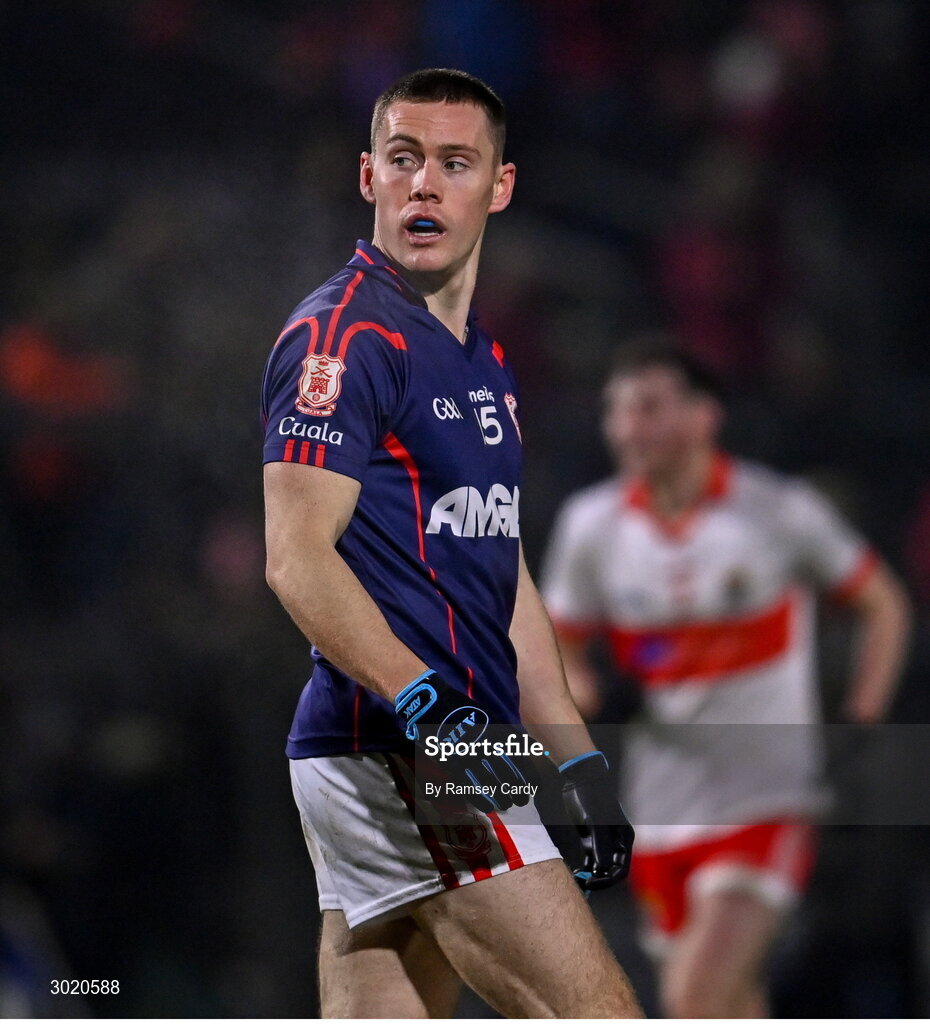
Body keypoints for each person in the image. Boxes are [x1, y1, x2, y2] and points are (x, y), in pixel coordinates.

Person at [261, 68, 640, 1019]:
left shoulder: (487, 360)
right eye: (404, 160)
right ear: (368, 177)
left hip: (405, 748)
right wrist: (427, 703)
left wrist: (580, 765)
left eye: (455, 163)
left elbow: (498, 575)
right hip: (412, 748)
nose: (425, 184)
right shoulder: (341, 338)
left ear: (499, 187)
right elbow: (296, 555)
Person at [541, 338, 911, 1019]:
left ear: (704, 416)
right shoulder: (592, 527)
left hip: (765, 801)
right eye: (615, 411)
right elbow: (557, 641)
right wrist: (591, 692)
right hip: (660, 815)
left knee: (694, 997)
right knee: (734, 1005)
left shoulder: (775, 512)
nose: (627, 428)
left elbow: (882, 603)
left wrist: (861, 720)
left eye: (648, 407)